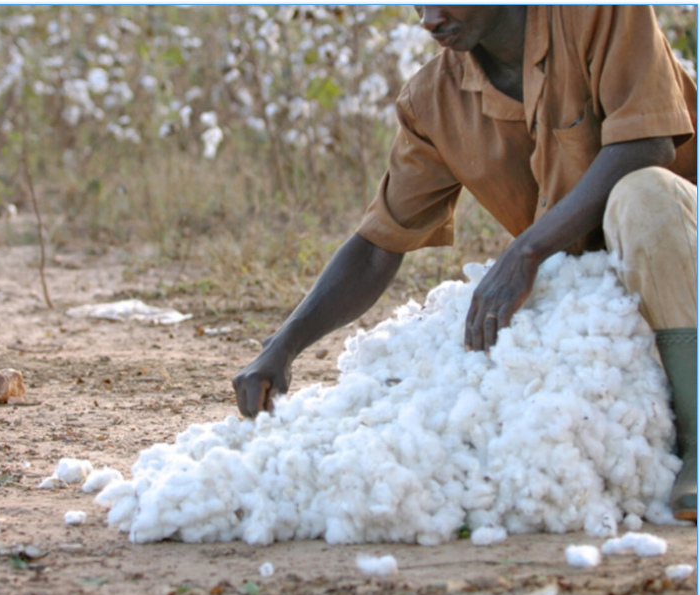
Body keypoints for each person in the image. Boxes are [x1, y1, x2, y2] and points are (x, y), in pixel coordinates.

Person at [232, 6, 697, 520]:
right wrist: (282, 346)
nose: (430, 19)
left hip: (685, 256)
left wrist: (526, 251)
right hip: (617, 307)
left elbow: (646, 143)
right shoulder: (434, 100)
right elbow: (377, 246)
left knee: (644, 193)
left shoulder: (601, 14)